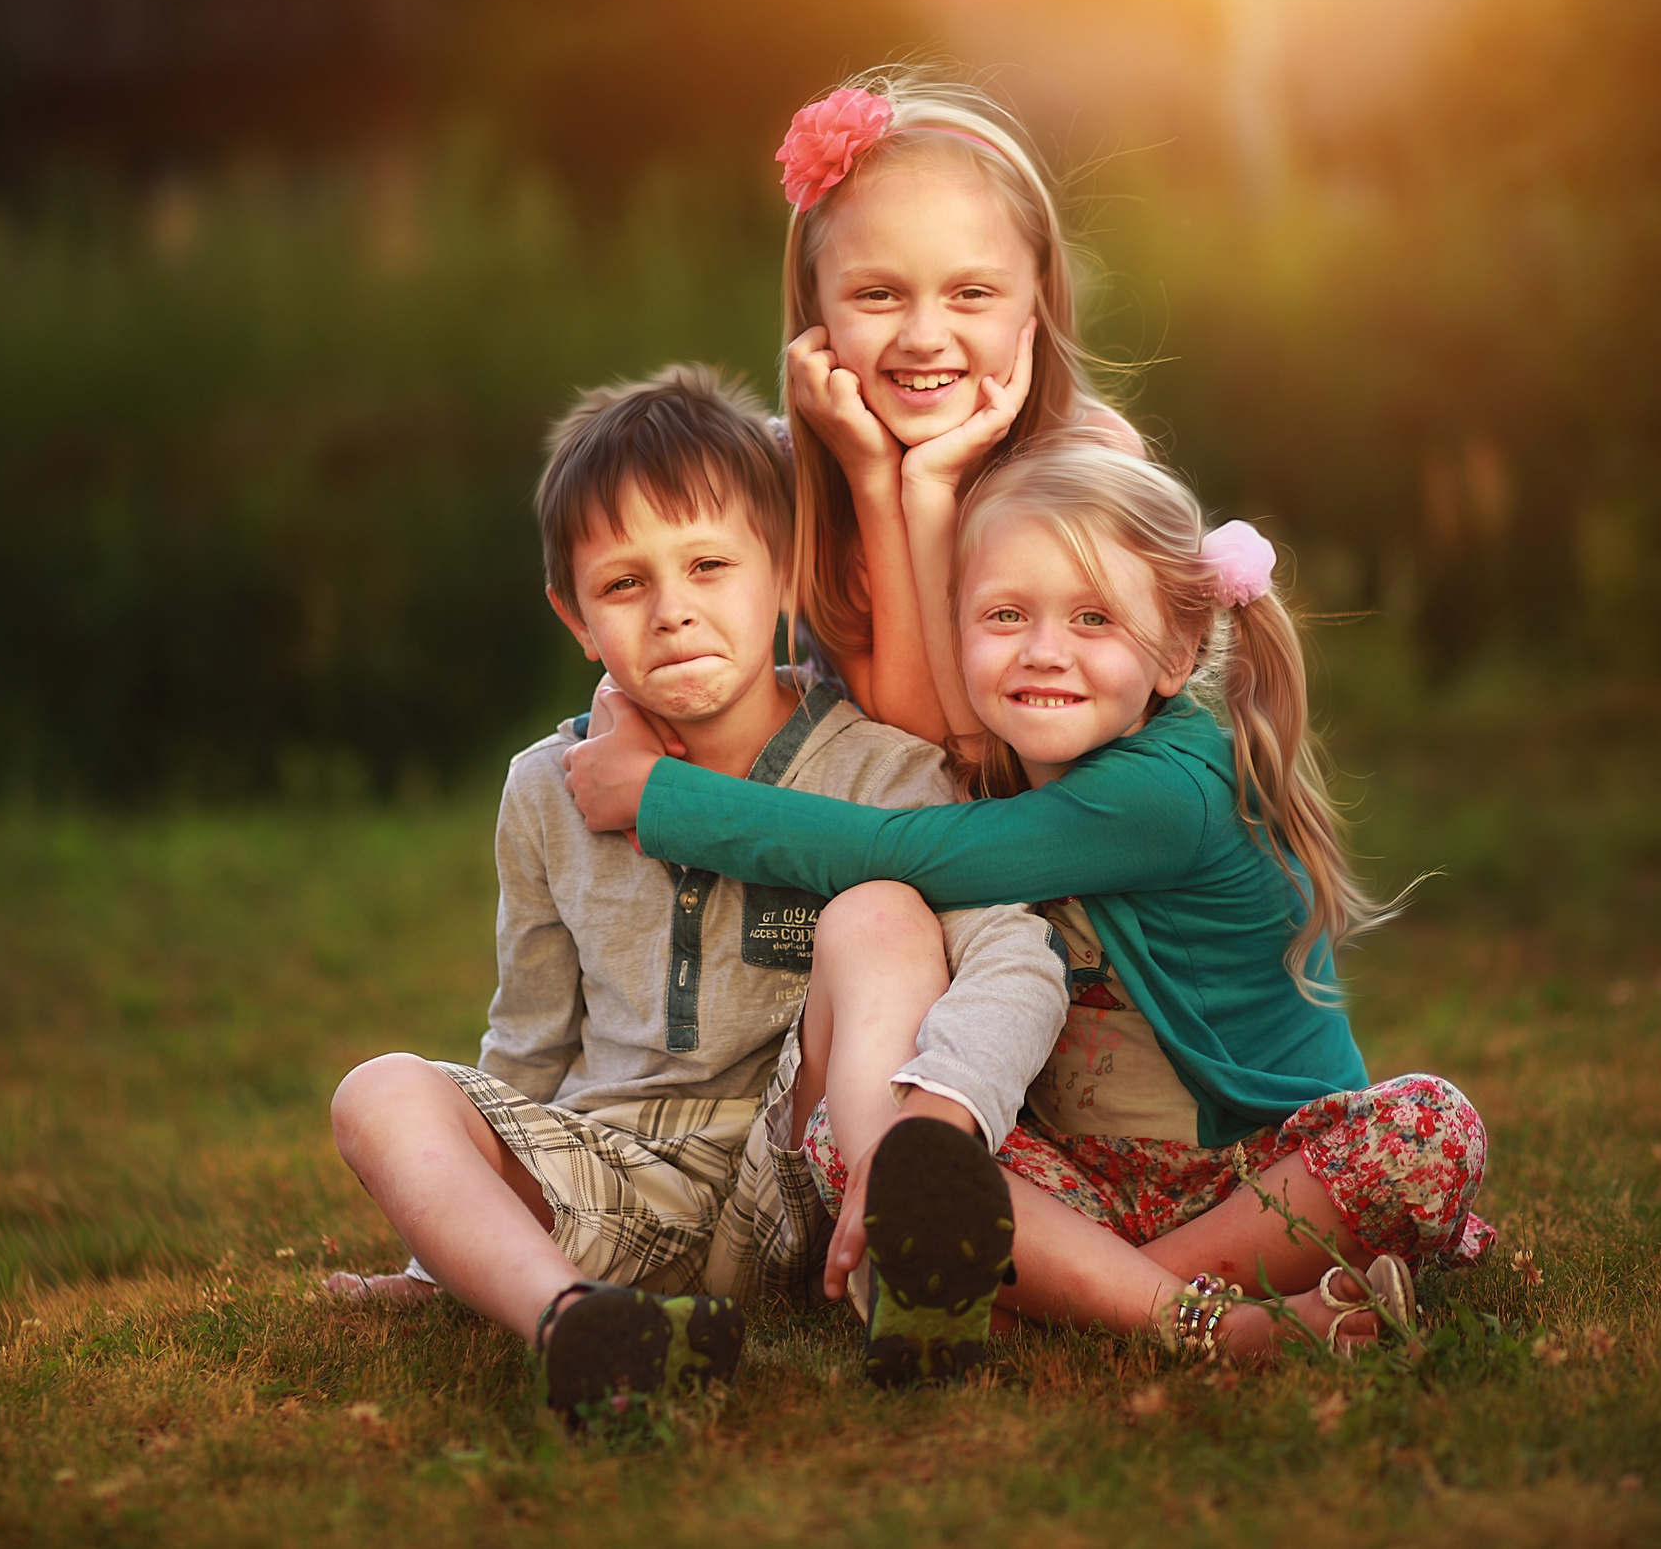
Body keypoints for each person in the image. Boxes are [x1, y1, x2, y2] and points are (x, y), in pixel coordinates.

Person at [564, 435, 1495, 1371]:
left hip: (1253, 1176)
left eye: (1093, 619)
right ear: (958, 633)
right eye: (1005, 614)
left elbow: (895, 852)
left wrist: (657, 795)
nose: (1044, 652)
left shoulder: (1168, 788)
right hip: (1077, 1178)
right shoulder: (1015, 764)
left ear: (1176, 649)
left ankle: (1139, 1309)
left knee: (1427, 1124)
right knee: (874, 1139)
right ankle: (1139, 1301)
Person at [326, 366, 1067, 1417]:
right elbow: (529, 1042)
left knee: (880, 909)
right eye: (624, 585)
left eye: (709, 565)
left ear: (784, 573)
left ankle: (904, 1254)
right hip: (620, 1178)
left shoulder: (880, 769)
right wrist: (439, 1248)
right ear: (574, 617)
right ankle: (579, 1322)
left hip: (809, 1170)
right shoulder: (548, 787)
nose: (672, 613)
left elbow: (1013, 951)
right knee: (378, 1089)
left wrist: (942, 1118)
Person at [770, 68, 1145, 743]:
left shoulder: (1089, 461)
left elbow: (964, 749)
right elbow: (911, 741)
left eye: (971, 293)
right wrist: (869, 476)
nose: (923, 338)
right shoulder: (791, 476)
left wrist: (923, 485)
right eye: (877, 295)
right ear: (813, 305)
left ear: (1038, 295)